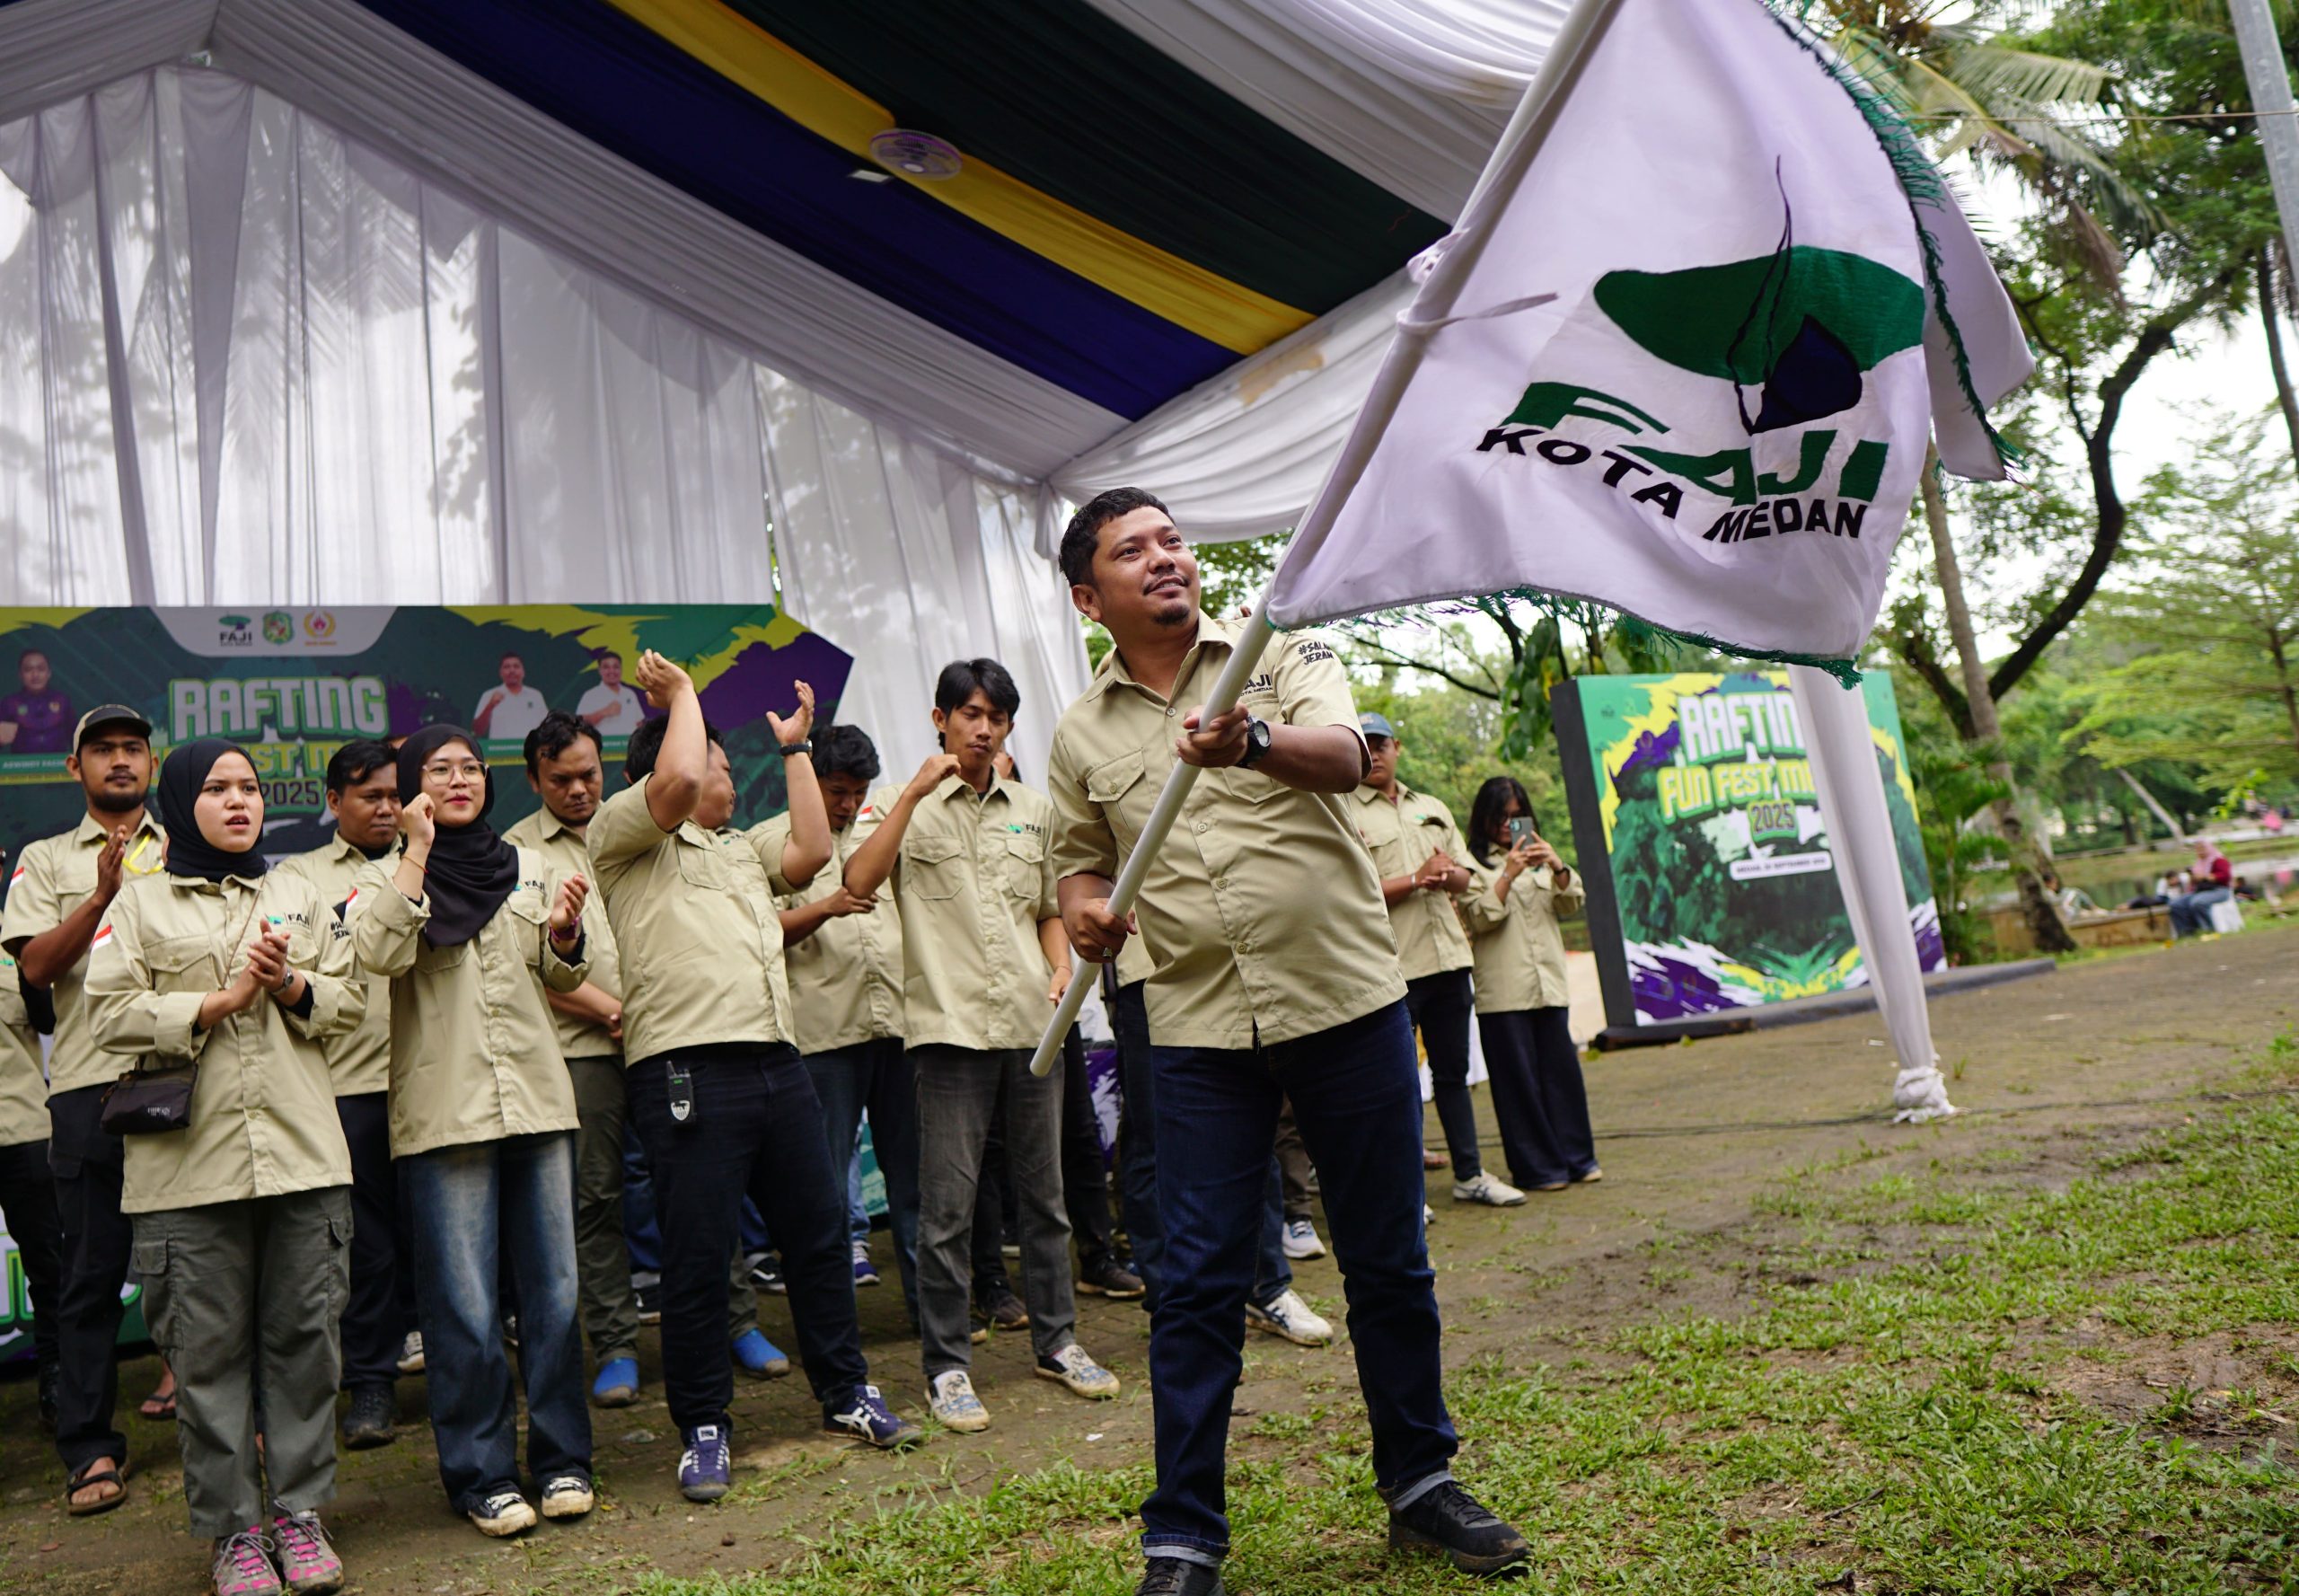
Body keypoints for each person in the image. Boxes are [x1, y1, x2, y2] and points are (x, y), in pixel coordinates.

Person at [1050, 488, 1530, 1594]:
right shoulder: (1081, 731)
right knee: (1199, 1280)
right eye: (1134, 551)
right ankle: (1182, 1539)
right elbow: (1077, 860)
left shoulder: (1277, 648)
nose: (1166, 558)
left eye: (1173, 540)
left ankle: (1422, 1487)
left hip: (1347, 998)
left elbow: (1350, 754)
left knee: (1386, 1258)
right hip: (1197, 1025)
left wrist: (1252, 739)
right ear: (1091, 596)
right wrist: (1084, 911)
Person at [589, 652, 920, 1505]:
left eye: (733, 771)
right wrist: (685, 697)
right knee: (701, 1260)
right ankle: (704, 1423)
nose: (726, 782)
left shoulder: (739, 850)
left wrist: (795, 753)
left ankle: (846, 1392)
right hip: (685, 1069)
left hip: (777, 1060)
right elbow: (676, 780)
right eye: (719, 768)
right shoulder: (626, 837)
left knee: (817, 1239)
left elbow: (811, 850)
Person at [86, 740, 366, 1596]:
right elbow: (106, 1015)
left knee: (304, 1345)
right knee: (204, 1361)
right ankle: (236, 1534)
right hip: (187, 1172)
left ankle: (300, 1514)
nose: (237, 801)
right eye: (215, 788)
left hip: (302, 1158)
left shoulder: (298, 892)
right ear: (181, 801)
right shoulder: (138, 904)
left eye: (248, 787)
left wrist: (287, 989)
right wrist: (215, 1003)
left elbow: (350, 1000)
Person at [842, 658, 1122, 1433]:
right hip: (948, 1031)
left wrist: (1061, 961)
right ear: (940, 718)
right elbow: (859, 880)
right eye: (969, 712)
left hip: (1033, 1026)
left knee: (1047, 1195)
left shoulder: (1035, 809)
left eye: (997, 715)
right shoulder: (902, 806)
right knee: (947, 1209)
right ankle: (948, 1366)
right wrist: (911, 793)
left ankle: (1058, 1341)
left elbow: (1047, 906)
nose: (984, 726)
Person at [348, 727, 596, 1539]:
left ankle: (563, 1460)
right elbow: (380, 954)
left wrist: (563, 934)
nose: (459, 780)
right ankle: (481, 1474)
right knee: (463, 1307)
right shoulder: (386, 875)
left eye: (469, 769)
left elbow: (562, 975)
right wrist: (416, 850)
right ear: (414, 786)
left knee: (556, 1296)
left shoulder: (527, 867)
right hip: (446, 1115)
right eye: (438, 769)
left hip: (537, 1101)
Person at [2, 706, 168, 1515]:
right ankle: (90, 1448)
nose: (118, 761)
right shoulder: (41, 857)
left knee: (201, 1265)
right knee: (91, 1275)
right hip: (87, 1086)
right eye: (101, 750)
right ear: (76, 769)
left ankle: (227, 1418)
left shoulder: (184, 845)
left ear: (153, 762)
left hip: (181, 1078)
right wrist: (102, 894)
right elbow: (35, 965)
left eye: (131, 748)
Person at [503, 712, 646, 1409]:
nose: (579, 789)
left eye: (589, 773)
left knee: (699, 1185)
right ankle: (617, 1345)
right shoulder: (515, 855)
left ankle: (735, 1323)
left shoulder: (638, 822)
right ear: (534, 779)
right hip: (584, 1050)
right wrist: (610, 1011)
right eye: (560, 779)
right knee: (594, 1201)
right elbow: (523, 966)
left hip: (668, 1039)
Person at [757, 723, 923, 1316]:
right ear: (810, 779)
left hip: (900, 1027)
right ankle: (830, 1322)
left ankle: (934, 1313)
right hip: (823, 1037)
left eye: (858, 790)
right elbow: (757, 933)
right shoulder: (772, 841)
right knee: (823, 1190)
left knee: (917, 1184)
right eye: (836, 790)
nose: (849, 803)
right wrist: (825, 907)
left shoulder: (885, 830)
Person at [277, 741, 414, 1450]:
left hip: (435, 1083)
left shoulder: (431, 860)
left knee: (443, 1239)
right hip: (349, 1087)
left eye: (395, 793)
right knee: (368, 1248)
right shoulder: (299, 877)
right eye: (370, 795)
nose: (387, 806)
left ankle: (459, 1373)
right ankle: (371, 1385)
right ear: (334, 802)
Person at [1354, 715, 1524, 1208]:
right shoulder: (1342, 810)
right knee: (1397, 1085)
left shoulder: (1429, 807)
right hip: (1393, 969)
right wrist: (1417, 877)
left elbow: (1468, 878)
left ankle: (1470, 1175)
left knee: (1454, 1075)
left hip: (1449, 960)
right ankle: (1406, 1195)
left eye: (1381, 743)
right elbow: (1350, 894)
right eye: (1363, 746)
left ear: (1397, 747)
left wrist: (1447, 875)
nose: (1374, 754)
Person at [1460, 778, 1599, 1191]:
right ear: (1483, 818)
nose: (1508, 824)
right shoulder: (1471, 864)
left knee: (1563, 1077)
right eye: (1500, 816)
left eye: (1516, 815)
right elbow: (1481, 919)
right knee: (1517, 1086)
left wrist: (1557, 865)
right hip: (1503, 994)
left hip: (1548, 986)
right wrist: (1506, 875)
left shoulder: (1541, 859)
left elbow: (1571, 902)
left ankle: (1578, 1160)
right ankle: (1539, 1169)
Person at [0, 940, 65, 1436]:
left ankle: (58, 1381)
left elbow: (47, 1019)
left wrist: (29, 965)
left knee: (49, 1267)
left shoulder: (19, 944)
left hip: (22, 1128)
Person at [0, 648, 75, 753]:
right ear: (20, 675)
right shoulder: (10, 703)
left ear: (49, 673)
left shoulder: (62, 701)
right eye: (28, 670)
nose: (35, 675)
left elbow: (75, 738)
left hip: (57, 765)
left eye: (41, 669)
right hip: (21, 766)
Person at [471, 654, 548, 745]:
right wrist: (490, 705)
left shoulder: (535, 696)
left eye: (516, 666)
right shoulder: (489, 695)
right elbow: (477, 731)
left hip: (530, 752)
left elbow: (547, 727)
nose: (512, 670)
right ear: (501, 673)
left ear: (523, 672)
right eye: (507, 667)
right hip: (500, 755)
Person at [575, 652, 649, 737]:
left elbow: (638, 723)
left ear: (621, 669)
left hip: (628, 746)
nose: (612, 671)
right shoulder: (590, 695)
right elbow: (580, 723)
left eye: (616, 667)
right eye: (606, 667)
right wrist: (604, 712)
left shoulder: (629, 694)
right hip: (604, 747)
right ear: (599, 670)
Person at [2170, 839, 2235, 936]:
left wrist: (2206, 876)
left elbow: (2225, 876)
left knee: (2197, 902)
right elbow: (2194, 884)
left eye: (2202, 848)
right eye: (2197, 849)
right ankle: (2187, 932)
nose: (2200, 851)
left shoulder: (2219, 860)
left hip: (2220, 890)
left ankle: (2208, 929)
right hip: (2201, 891)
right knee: (2176, 905)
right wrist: (2193, 878)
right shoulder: (2198, 864)